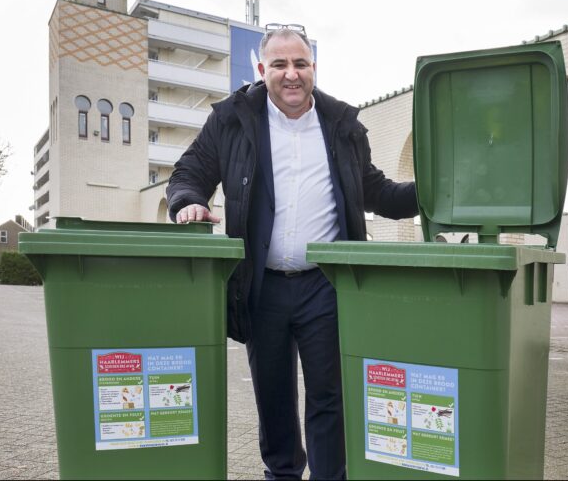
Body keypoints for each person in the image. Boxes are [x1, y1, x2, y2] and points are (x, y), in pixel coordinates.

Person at [166, 24, 417, 480]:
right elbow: (189, 172)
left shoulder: (341, 125)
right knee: (274, 400)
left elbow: (373, 189)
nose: (291, 74)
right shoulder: (232, 119)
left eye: (300, 63)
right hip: (261, 286)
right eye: (279, 64)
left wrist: (432, 192)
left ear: (314, 69)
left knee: (328, 398)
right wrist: (189, 202)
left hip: (326, 285)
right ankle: (280, 474)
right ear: (262, 70)